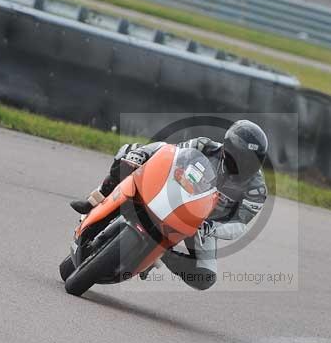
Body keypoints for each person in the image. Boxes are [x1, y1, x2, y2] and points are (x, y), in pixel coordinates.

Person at [70, 120, 268, 290]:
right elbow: (170, 154)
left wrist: (211, 228)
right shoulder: (204, 146)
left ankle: (165, 254)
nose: (244, 165)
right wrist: (142, 155)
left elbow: (239, 225)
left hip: (201, 224)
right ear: (228, 148)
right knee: (131, 154)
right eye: (240, 158)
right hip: (173, 191)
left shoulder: (256, 190)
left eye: (252, 160)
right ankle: (96, 198)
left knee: (205, 277)